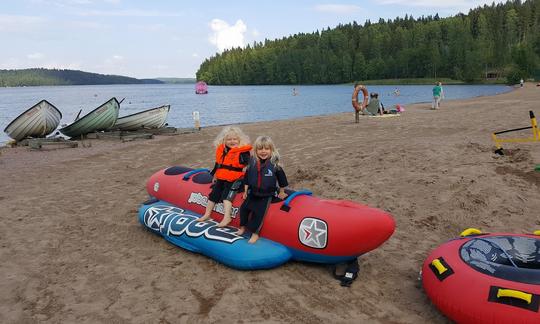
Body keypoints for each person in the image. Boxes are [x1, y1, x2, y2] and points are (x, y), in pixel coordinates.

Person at [196, 126, 251, 227]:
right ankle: (207, 214)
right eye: (229, 139)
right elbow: (219, 164)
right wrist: (215, 175)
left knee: (226, 197)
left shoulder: (243, 152)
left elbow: (249, 166)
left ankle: (227, 218)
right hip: (222, 177)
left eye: (235, 139)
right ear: (224, 140)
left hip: (236, 178)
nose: (232, 141)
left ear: (240, 140)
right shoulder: (223, 150)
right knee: (213, 195)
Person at [237, 136, 288, 244]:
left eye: (266, 149)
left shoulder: (274, 164)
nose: (263, 151)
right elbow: (246, 178)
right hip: (253, 192)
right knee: (244, 208)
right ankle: (242, 227)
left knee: (259, 213)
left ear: (271, 150)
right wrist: (245, 191)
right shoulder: (252, 163)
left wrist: (282, 192)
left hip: (267, 195)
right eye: (260, 149)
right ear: (256, 151)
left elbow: (282, 179)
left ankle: (255, 233)